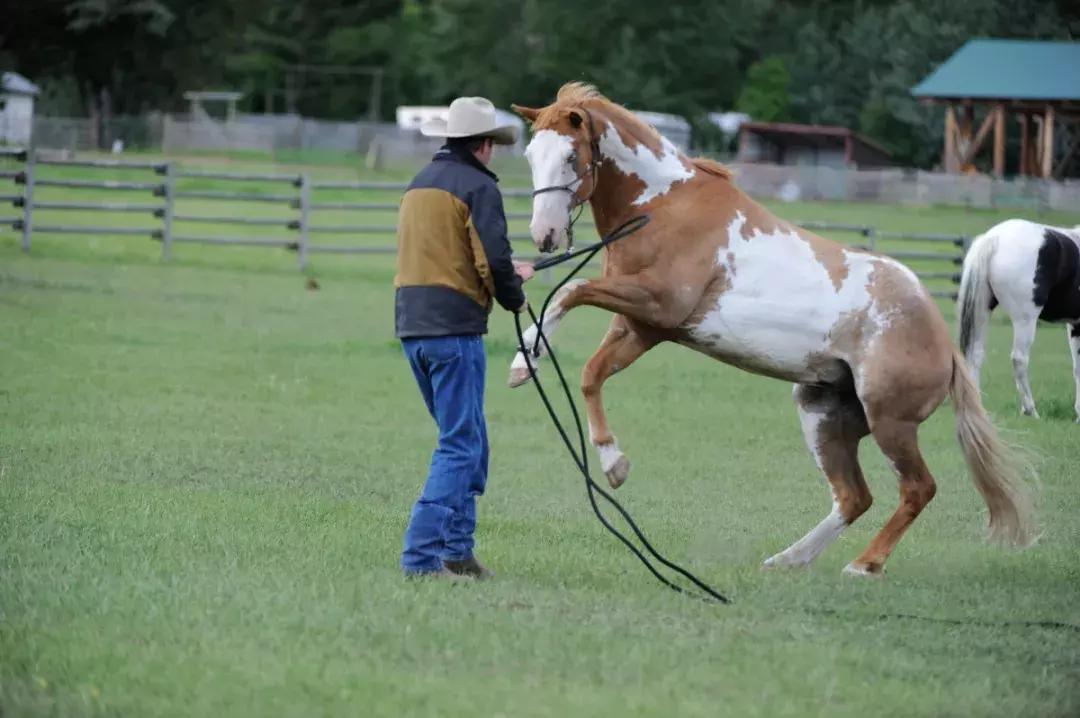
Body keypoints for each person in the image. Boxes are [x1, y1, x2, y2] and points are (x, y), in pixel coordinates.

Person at [394, 96, 535, 579]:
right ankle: (422, 557)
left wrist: (503, 274)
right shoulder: (479, 187)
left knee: (469, 441)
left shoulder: (418, 186)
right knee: (459, 446)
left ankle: (458, 551)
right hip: (455, 329)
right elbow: (492, 260)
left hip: (413, 326)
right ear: (484, 146)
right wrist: (515, 294)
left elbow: (450, 254)